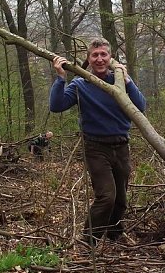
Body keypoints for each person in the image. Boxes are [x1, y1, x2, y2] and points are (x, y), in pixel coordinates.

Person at [50, 38, 146, 245]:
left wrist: (128, 80)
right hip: (96, 148)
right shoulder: (80, 84)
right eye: (95, 55)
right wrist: (60, 78)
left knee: (121, 200)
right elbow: (56, 106)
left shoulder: (120, 82)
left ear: (110, 58)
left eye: (104, 54)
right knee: (107, 197)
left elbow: (141, 107)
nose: (100, 59)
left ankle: (114, 236)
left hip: (121, 146)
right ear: (89, 59)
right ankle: (89, 241)